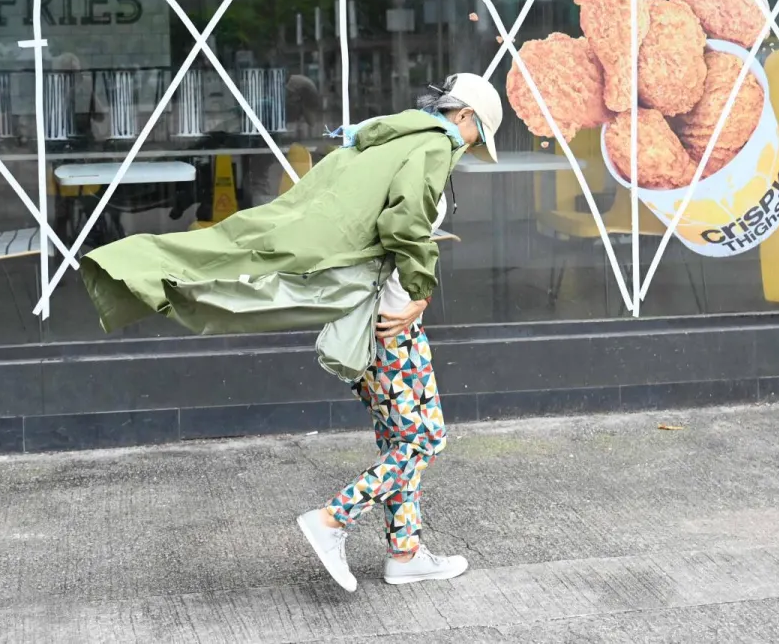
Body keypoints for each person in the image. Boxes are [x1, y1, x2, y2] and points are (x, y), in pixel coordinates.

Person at [77, 72, 503, 591]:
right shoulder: (434, 145)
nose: (474, 146)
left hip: (365, 319)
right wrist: (420, 290)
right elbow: (404, 223)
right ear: (464, 117)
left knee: (399, 438)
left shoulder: (386, 138)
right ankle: (331, 522)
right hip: (390, 325)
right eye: (480, 133)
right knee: (423, 439)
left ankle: (405, 552)